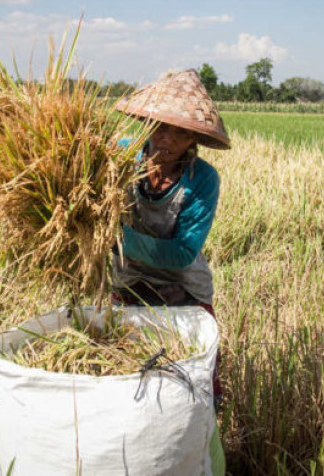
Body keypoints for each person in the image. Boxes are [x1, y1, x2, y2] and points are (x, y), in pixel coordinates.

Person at [111, 68, 231, 401]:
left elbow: (181, 252)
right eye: (160, 128)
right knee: (124, 374)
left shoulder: (202, 179)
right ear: (147, 125)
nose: (167, 140)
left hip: (182, 289)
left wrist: (117, 239)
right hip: (129, 282)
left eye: (180, 134)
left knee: (196, 381)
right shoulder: (118, 157)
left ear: (194, 139)